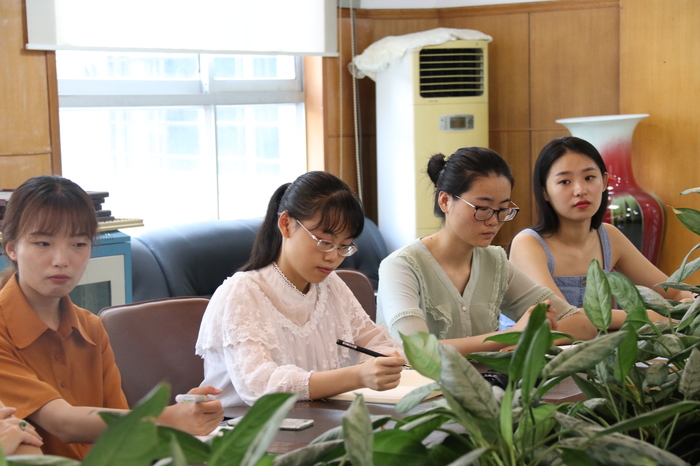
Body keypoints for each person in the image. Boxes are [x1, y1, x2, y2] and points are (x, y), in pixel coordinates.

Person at [0, 175, 224, 460]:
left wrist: (187, 412)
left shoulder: (91, 328)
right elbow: (62, 422)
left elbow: (123, 433)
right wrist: (167, 418)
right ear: (12, 248)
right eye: (43, 243)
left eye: (78, 244)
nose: (61, 260)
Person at [196, 171, 406, 407]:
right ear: (286, 224)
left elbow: (376, 342)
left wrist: (387, 360)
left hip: (315, 418)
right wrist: (357, 376)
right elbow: (260, 385)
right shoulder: (242, 292)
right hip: (244, 424)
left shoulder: (331, 286)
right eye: (325, 242)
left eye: (344, 247)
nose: (333, 257)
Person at [376, 147, 598, 356]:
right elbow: (416, 350)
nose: (494, 221)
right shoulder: (401, 266)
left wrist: (522, 340)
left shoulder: (494, 262)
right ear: (445, 201)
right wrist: (513, 336)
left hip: (485, 382)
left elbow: (582, 324)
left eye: (502, 209)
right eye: (482, 208)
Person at [509, 136, 691, 326]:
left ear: (604, 182)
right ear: (544, 191)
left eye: (589, 178)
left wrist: (691, 301)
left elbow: (673, 292)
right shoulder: (528, 243)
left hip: (595, 342)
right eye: (565, 181)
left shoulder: (609, 237)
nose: (580, 190)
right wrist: (651, 317)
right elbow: (562, 315)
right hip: (535, 344)